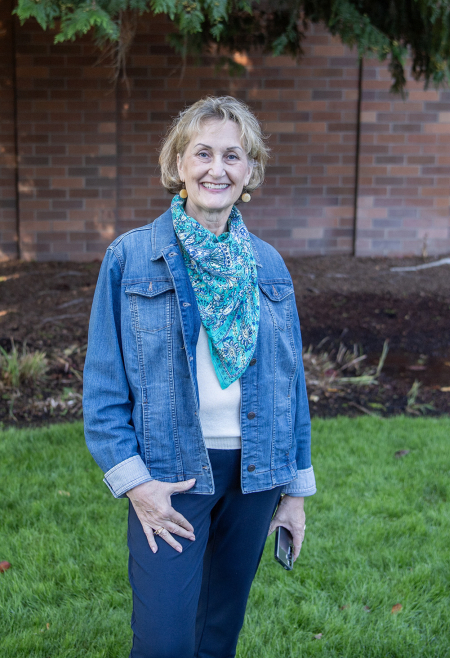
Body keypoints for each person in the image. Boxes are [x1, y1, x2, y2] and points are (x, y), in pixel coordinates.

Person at [83, 95, 315, 658]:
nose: (218, 168)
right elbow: (104, 390)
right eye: (203, 153)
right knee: (163, 641)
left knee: (217, 635)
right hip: (170, 474)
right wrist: (137, 484)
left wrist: (295, 492)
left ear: (250, 171)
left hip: (255, 473)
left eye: (233, 156)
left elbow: (290, 386)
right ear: (179, 165)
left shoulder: (268, 264)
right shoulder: (131, 258)